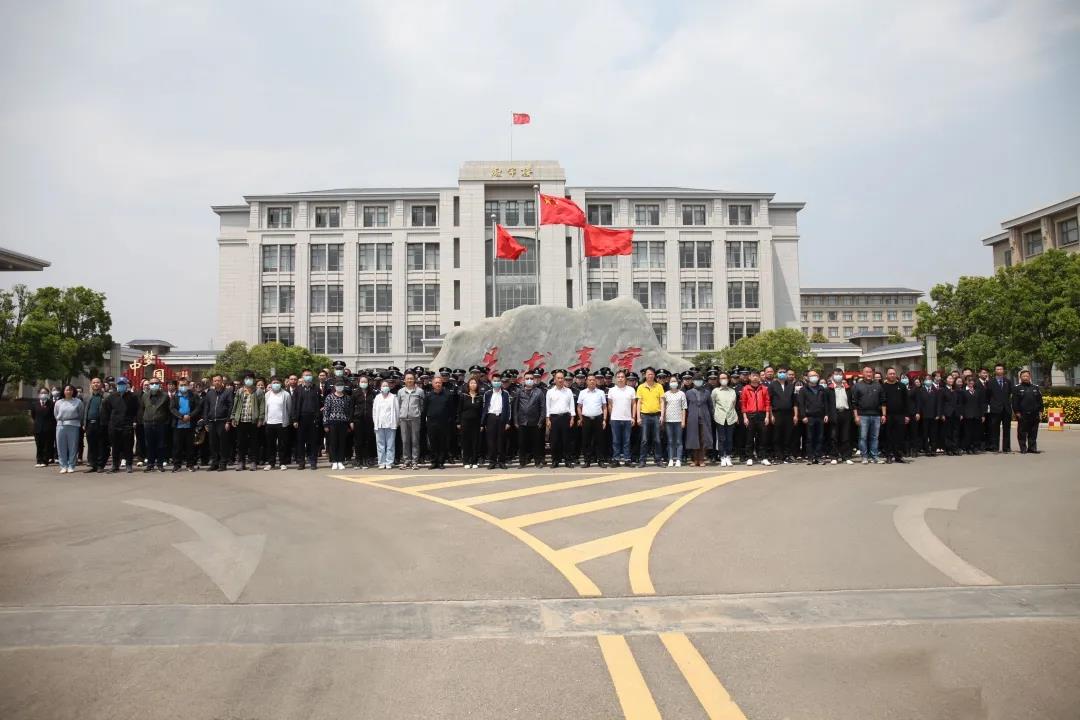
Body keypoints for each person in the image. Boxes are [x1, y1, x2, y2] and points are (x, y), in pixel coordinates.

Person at [102, 377, 139, 473]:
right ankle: (115, 465)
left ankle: (129, 464)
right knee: (115, 446)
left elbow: (136, 410)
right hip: (114, 425)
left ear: (126, 385)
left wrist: (134, 421)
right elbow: (107, 410)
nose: (121, 386)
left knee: (128, 446)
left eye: (123, 384)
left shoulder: (133, 397)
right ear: (116, 385)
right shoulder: (111, 397)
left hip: (127, 425)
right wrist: (109, 422)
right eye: (119, 384)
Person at [851, 365, 885, 464]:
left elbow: (883, 401)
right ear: (863, 373)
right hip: (862, 415)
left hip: (876, 415)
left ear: (873, 373)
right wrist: (856, 416)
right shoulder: (857, 386)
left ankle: (875, 456)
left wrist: (883, 414)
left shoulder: (878, 385)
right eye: (867, 372)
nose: (869, 374)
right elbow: (854, 403)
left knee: (875, 437)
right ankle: (864, 456)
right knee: (863, 437)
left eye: (870, 372)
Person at [291, 369, 323, 470]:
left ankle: (313, 461)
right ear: (302, 377)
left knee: (313, 441)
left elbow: (320, 403)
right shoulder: (298, 389)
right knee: (300, 441)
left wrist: (318, 416)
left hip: (313, 418)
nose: (308, 377)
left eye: (309, 375)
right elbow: (294, 405)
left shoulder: (316, 389)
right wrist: (295, 419)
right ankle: (301, 462)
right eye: (306, 375)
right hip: (301, 418)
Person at [513, 371, 546, 468]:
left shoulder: (539, 392)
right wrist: (516, 421)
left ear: (534, 380)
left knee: (536, 444)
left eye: (531, 378)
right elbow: (515, 407)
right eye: (527, 378)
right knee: (522, 443)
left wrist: (541, 421)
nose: (529, 380)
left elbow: (543, 408)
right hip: (522, 422)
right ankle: (522, 462)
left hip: (535, 422)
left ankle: (537, 462)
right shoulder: (519, 391)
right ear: (524, 379)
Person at [798, 370, 831, 464]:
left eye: (815, 375)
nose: (814, 377)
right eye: (812, 376)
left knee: (820, 437)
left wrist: (826, 414)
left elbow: (825, 402)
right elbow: (801, 404)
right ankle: (810, 457)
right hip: (809, 417)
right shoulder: (803, 389)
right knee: (810, 438)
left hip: (820, 416)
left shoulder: (821, 388)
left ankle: (818, 456)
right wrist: (803, 416)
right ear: (807, 378)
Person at [169, 378, 203, 472]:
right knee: (177, 446)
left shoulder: (194, 395)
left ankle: (190, 465)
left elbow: (198, 408)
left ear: (188, 385)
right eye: (181, 385)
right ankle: (177, 465)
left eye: (185, 385)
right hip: (178, 425)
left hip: (190, 424)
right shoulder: (175, 396)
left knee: (190, 446)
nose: (183, 387)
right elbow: (172, 409)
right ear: (178, 386)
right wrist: (181, 416)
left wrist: (190, 416)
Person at [203, 375, 234, 472]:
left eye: (218, 380)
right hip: (212, 422)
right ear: (212, 382)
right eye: (215, 381)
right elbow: (206, 408)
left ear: (222, 381)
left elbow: (230, 407)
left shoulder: (228, 392)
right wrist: (206, 422)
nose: (217, 382)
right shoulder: (210, 393)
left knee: (223, 444)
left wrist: (228, 421)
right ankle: (214, 463)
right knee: (213, 444)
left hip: (223, 421)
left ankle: (223, 463)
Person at [878, 368, 910, 463]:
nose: (892, 375)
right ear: (886, 375)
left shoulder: (902, 386)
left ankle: (898, 456)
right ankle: (888, 455)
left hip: (900, 415)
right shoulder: (883, 387)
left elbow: (906, 402)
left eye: (893, 373)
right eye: (890, 374)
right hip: (888, 415)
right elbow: (882, 402)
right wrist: (883, 415)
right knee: (888, 436)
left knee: (899, 436)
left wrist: (906, 415)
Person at [739, 371, 771, 466]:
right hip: (750, 415)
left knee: (763, 437)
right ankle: (749, 457)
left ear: (759, 378)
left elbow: (767, 403)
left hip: (762, 415)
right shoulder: (745, 389)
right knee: (749, 437)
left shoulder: (764, 388)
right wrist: (745, 417)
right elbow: (743, 404)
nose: (755, 378)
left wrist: (767, 416)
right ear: (750, 377)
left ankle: (763, 457)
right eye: (753, 376)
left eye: (757, 376)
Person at [481, 374, 512, 470]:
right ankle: (492, 461)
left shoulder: (505, 393)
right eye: (495, 381)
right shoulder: (487, 393)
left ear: (501, 382)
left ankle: (502, 461)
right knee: (491, 441)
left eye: (498, 381)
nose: (496, 383)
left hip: (502, 417)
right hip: (491, 418)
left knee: (501, 441)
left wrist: (508, 422)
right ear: (491, 382)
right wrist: (483, 422)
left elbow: (508, 408)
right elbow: (484, 408)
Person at [635, 368, 665, 468]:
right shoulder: (641, 387)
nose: (650, 376)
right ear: (645, 375)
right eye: (648, 374)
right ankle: (642, 460)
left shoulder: (659, 386)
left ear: (654, 375)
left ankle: (658, 460)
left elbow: (662, 402)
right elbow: (639, 403)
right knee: (644, 440)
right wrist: (638, 417)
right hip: (645, 416)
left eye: (652, 374)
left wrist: (662, 416)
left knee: (657, 439)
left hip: (656, 416)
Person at [139, 378, 171, 472]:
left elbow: (168, 410)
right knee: (149, 445)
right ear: (149, 385)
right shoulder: (145, 395)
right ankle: (150, 464)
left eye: (156, 383)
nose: (154, 385)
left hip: (160, 423)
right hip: (148, 423)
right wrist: (144, 419)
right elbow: (142, 408)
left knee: (161, 444)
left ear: (159, 384)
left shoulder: (165, 396)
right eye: (152, 383)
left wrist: (166, 422)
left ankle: (160, 464)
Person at [607, 371, 638, 467]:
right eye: (618, 377)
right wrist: (611, 416)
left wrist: (633, 417)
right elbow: (610, 405)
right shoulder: (612, 390)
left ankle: (627, 459)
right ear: (616, 379)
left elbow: (634, 404)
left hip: (627, 419)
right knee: (616, 441)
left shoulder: (631, 390)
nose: (620, 378)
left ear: (625, 378)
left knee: (627, 441)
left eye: (622, 377)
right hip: (615, 419)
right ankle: (616, 459)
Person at [546, 370, 576, 469]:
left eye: (562, 378)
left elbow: (572, 405)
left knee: (566, 440)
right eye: (558, 378)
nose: (560, 380)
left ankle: (568, 460)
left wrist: (572, 418)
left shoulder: (568, 391)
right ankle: (555, 460)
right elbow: (548, 406)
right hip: (554, 418)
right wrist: (548, 419)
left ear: (564, 379)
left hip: (565, 417)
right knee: (554, 441)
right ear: (554, 380)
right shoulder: (550, 392)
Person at [424, 374, 455, 469]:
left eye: (439, 382)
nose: (438, 384)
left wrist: (449, 421)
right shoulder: (428, 396)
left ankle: (441, 462)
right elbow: (425, 410)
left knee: (442, 443)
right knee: (433, 443)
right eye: (436, 383)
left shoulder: (448, 395)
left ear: (442, 384)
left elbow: (451, 410)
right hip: (431, 423)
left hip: (444, 423)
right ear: (432, 384)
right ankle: (434, 462)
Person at [768, 367, 797, 464]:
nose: (782, 374)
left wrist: (795, 415)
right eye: (780, 372)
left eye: (784, 372)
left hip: (789, 414)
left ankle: (787, 455)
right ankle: (778, 455)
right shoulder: (772, 385)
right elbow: (769, 402)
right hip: (777, 413)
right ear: (777, 373)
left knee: (788, 435)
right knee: (777, 435)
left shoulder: (791, 385)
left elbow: (795, 402)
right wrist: (771, 415)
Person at [322, 379, 352, 471]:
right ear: (334, 387)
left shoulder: (347, 398)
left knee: (342, 442)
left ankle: (340, 461)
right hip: (332, 422)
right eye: (338, 385)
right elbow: (326, 411)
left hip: (343, 423)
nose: (339, 387)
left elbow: (348, 412)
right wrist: (325, 424)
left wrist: (348, 424)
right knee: (333, 442)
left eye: (341, 385)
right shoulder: (329, 397)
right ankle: (334, 461)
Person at [53, 385, 84, 473]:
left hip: (73, 425)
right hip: (61, 425)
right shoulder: (59, 402)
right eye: (66, 390)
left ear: (73, 391)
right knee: (61, 446)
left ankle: (71, 465)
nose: (68, 391)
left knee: (73, 446)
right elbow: (56, 414)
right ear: (63, 391)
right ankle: (63, 466)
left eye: (70, 390)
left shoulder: (78, 402)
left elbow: (81, 414)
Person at [684, 373, 713, 467]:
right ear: (693, 381)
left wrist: (710, 416)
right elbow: (685, 407)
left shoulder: (707, 392)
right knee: (693, 439)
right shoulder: (688, 393)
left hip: (704, 419)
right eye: (696, 380)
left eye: (700, 380)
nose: (698, 382)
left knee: (703, 439)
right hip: (692, 419)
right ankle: (695, 460)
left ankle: (701, 459)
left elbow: (710, 406)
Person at [397, 372, 424, 470]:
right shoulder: (400, 391)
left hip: (415, 418)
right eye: (407, 378)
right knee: (405, 441)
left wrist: (417, 413)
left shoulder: (419, 391)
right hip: (403, 419)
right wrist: (401, 415)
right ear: (404, 380)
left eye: (411, 378)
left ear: (414, 380)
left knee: (415, 440)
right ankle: (406, 461)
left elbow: (422, 405)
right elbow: (399, 404)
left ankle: (415, 461)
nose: (409, 380)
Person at [710, 372, 738, 466]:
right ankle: (722, 456)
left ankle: (728, 456)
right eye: (721, 378)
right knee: (721, 438)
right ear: (719, 380)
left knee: (729, 438)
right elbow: (713, 404)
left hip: (731, 417)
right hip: (720, 417)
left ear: (728, 379)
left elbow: (734, 405)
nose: (723, 380)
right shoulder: (715, 391)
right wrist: (716, 414)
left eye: (725, 378)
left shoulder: (732, 391)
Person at [1012, 370, 1042, 454]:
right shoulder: (1017, 388)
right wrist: (1017, 412)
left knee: (1033, 432)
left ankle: (1032, 448)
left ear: (1030, 377)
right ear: (1020, 377)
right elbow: (1014, 402)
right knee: (1022, 432)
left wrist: (1040, 412)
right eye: (1024, 376)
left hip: (1034, 414)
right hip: (1022, 414)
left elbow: (1040, 401)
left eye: (1027, 376)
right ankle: (1023, 448)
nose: (1025, 378)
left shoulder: (1035, 387)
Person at [828, 370, 854, 464]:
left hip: (846, 413)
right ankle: (834, 456)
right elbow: (826, 403)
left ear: (843, 376)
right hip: (834, 413)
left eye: (840, 374)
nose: (838, 376)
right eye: (836, 374)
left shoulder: (847, 388)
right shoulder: (829, 389)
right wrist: (827, 414)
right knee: (834, 436)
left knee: (846, 436)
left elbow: (851, 401)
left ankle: (846, 456)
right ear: (832, 376)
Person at [986, 364, 1013, 453]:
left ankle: (1006, 448)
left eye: (1001, 369)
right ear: (995, 371)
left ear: (1003, 370)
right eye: (997, 369)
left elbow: (1010, 393)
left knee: (1007, 429)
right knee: (995, 429)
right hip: (995, 409)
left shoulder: (1008, 381)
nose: (999, 370)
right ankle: (995, 447)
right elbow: (988, 396)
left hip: (1006, 409)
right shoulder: (990, 382)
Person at [458, 377, 484, 468]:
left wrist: (482, 424)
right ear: (468, 385)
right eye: (471, 383)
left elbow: (481, 411)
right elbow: (459, 410)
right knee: (466, 442)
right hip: (465, 422)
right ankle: (466, 461)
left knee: (475, 442)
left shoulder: (480, 396)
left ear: (477, 385)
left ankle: (474, 461)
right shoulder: (463, 396)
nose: (473, 385)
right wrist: (458, 422)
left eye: (475, 383)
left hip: (476, 423)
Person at [372, 380, 399, 469]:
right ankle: (381, 462)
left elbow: (397, 411)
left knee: (390, 444)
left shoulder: (393, 397)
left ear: (389, 387)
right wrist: (375, 423)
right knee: (380, 444)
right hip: (379, 424)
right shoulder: (377, 397)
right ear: (380, 387)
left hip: (390, 424)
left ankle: (389, 462)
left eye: (386, 385)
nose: (385, 387)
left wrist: (397, 422)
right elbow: (374, 411)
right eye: (383, 386)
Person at [661, 377, 687, 467]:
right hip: (668, 421)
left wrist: (683, 421)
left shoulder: (682, 394)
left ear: (677, 383)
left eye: (674, 381)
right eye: (672, 381)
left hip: (678, 420)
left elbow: (684, 408)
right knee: (670, 441)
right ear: (669, 383)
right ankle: (671, 459)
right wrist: (663, 419)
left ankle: (679, 459)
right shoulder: (666, 394)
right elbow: (664, 407)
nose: (673, 383)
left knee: (679, 441)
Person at [350, 374, 375, 468]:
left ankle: (367, 458)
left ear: (368, 383)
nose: (363, 383)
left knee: (368, 440)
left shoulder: (372, 393)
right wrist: (351, 421)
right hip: (358, 420)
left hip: (369, 419)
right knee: (358, 440)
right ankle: (358, 459)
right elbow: (351, 408)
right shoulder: (355, 393)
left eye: (365, 381)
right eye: (362, 381)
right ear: (359, 383)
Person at [83, 377, 106, 473]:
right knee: (91, 445)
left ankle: (100, 465)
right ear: (91, 385)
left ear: (101, 384)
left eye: (98, 382)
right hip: (89, 424)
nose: (96, 384)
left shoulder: (105, 396)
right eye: (93, 383)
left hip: (100, 424)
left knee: (101, 445)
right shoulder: (88, 397)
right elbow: (85, 411)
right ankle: (93, 465)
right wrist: (84, 423)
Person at [31, 387, 56, 468]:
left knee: (47, 445)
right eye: (42, 393)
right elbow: (33, 415)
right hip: (38, 428)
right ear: (39, 394)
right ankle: (39, 460)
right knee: (39, 445)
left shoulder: (52, 404)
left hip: (48, 429)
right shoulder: (35, 404)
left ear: (48, 394)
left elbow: (54, 416)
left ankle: (45, 461)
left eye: (45, 393)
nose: (43, 394)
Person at [959, 375, 985, 454]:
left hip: (977, 415)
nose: (971, 382)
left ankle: (975, 447)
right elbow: (961, 404)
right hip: (967, 415)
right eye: (969, 380)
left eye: (972, 381)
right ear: (966, 382)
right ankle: (968, 448)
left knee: (976, 432)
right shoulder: (963, 391)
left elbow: (981, 404)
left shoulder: (978, 391)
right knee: (968, 432)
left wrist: (982, 415)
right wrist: (961, 414)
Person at [940, 375, 961, 456]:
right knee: (948, 432)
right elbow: (941, 403)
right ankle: (948, 449)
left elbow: (959, 402)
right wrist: (942, 414)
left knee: (955, 431)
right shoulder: (943, 390)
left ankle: (955, 448)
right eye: (949, 378)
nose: (951, 380)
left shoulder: (956, 390)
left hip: (956, 413)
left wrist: (960, 413)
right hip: (947, 413)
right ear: (946, 380)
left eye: (952, 378)